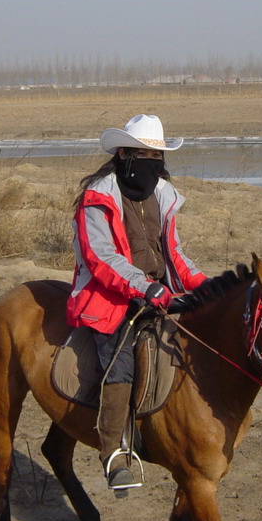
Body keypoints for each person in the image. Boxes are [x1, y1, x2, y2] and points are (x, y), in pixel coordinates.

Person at [66, 114, 208, 493]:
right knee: (120, 358)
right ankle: (114, 451)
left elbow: (173, 253)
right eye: (143, 154)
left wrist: (206, 285)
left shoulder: (162, 195)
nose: (152, 163)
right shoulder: (98, 197)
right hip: (109, 296)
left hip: (159, 292)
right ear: (124, 154)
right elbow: (99, 256)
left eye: (156, 155)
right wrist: (144, 287)